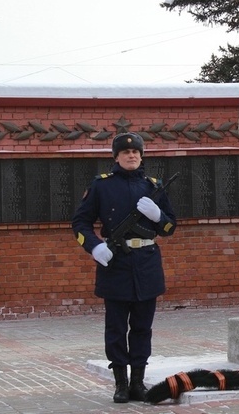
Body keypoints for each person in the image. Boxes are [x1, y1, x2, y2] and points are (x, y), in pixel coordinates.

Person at [72, 132, 177, 403]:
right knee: (116, 327)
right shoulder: (101, 186)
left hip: (146, 262)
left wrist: (158, 215)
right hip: (115, 262)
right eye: (125, 152)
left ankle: (138, 382)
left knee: (142, 327)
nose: (132, 156)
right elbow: (80, 223)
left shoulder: (153, 186)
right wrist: (95, 247)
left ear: (141, 156)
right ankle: (120, 383)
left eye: (136, 152)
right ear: (116, 157)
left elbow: (169, 227)